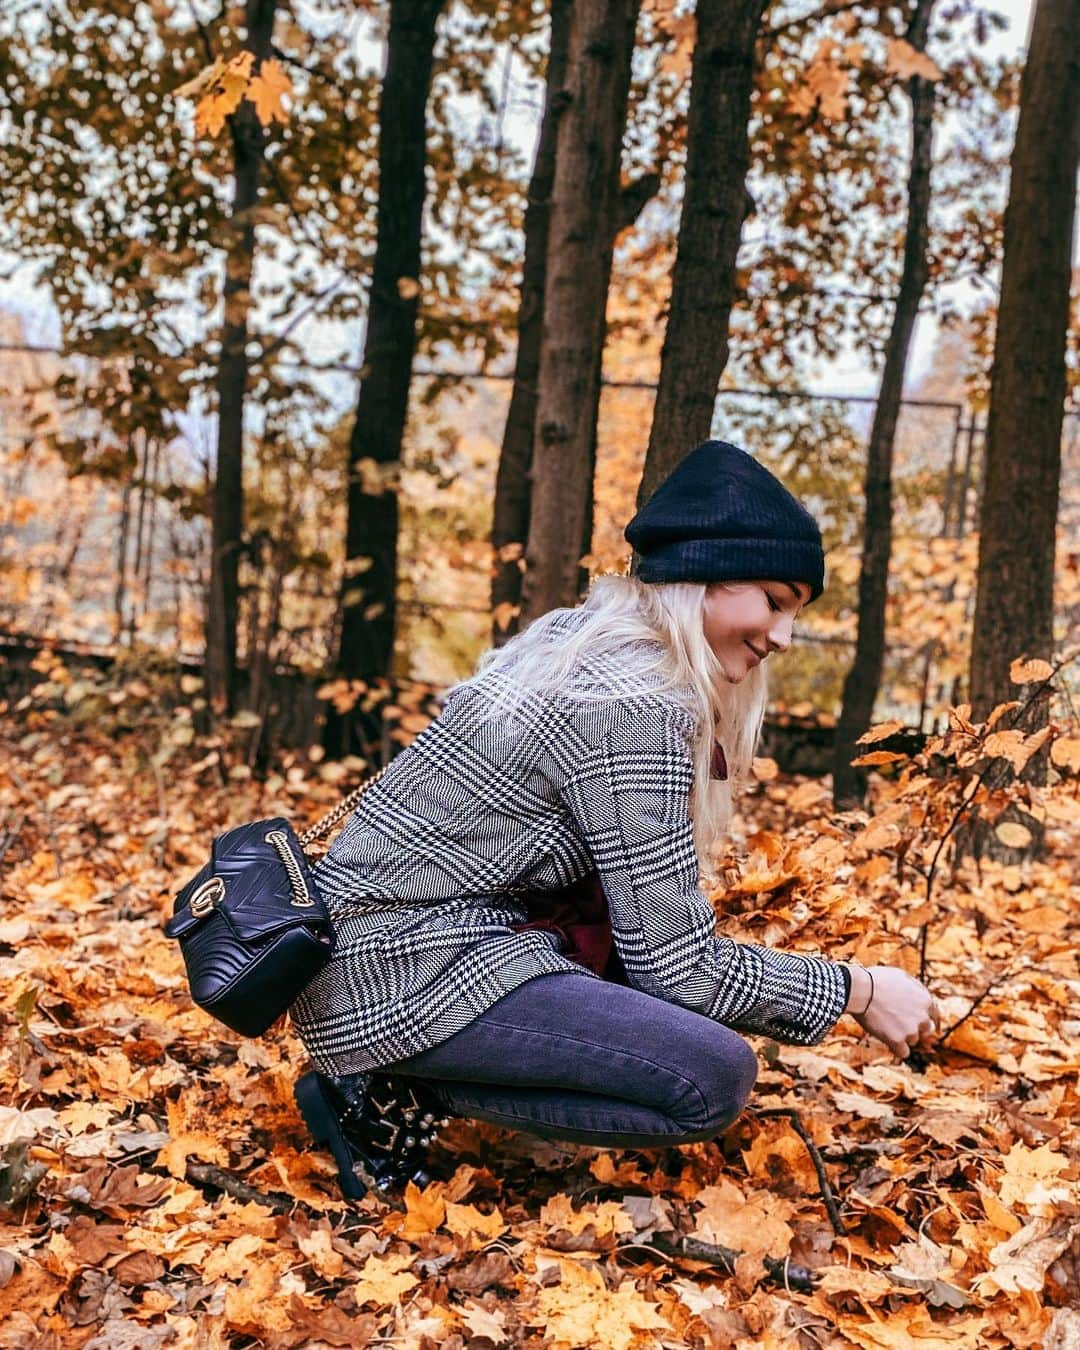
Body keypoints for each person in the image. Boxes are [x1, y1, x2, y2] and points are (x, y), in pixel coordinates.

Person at [290, 440, 938, 1201]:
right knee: (710, 1078)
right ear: (705, 575)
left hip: (374, 953)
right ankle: (384, 1093)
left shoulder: (584, 643)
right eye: (775, 599)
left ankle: (395, 1077)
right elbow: (680, 966)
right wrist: (858, 990)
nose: (784, 637)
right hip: (399, 972)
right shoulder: (636, 706)